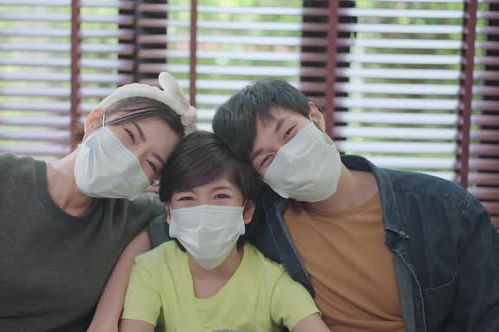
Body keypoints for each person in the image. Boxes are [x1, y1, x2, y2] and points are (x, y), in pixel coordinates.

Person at [0, 72, 197, 332]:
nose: (132, 159)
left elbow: (212, 193)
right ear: (95, 121)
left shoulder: (136, 217)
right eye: (129, 135)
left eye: (150, 164)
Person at [211, 79, 499, 332]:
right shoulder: (261, 228)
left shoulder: (446, 211)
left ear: (315, 117)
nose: (288, 155)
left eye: (289, 133)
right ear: (261, 178)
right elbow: (195, 201)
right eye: (267, 159)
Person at [118, 131, 331, 332]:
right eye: (187, 199)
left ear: (247, 210)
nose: (203, 211)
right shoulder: (151, 270)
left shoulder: (273, 281)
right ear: (170, 214)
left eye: (220, 196)